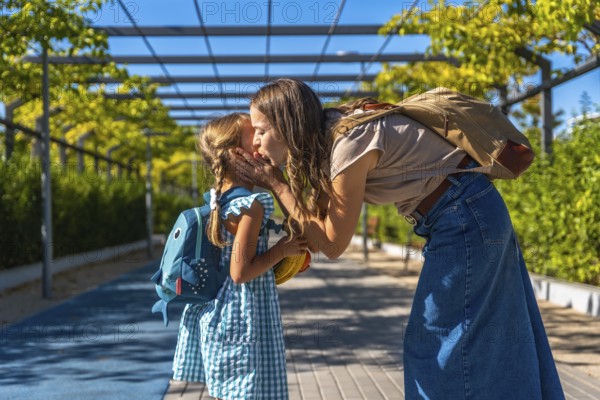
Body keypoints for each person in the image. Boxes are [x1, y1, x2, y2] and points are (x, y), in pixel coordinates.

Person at [230, 79, 565, 399]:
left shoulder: (348, 143)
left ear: (288, 125)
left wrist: (278, 186)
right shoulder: (330, 133)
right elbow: (318, 237)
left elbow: (333, 245)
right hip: (468, 213)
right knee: (501, 332)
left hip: (464, 217)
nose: (256, 143)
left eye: (260, 131)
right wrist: (281, 197)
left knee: (435, 344)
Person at [172, 112, 307, 400]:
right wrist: (282, 250)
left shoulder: (218, 199)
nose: (261, 142)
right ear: (238, 153)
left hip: (219, 315)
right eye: (254, 137)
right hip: (241, 318)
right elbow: (240, 272)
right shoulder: (251, 206)